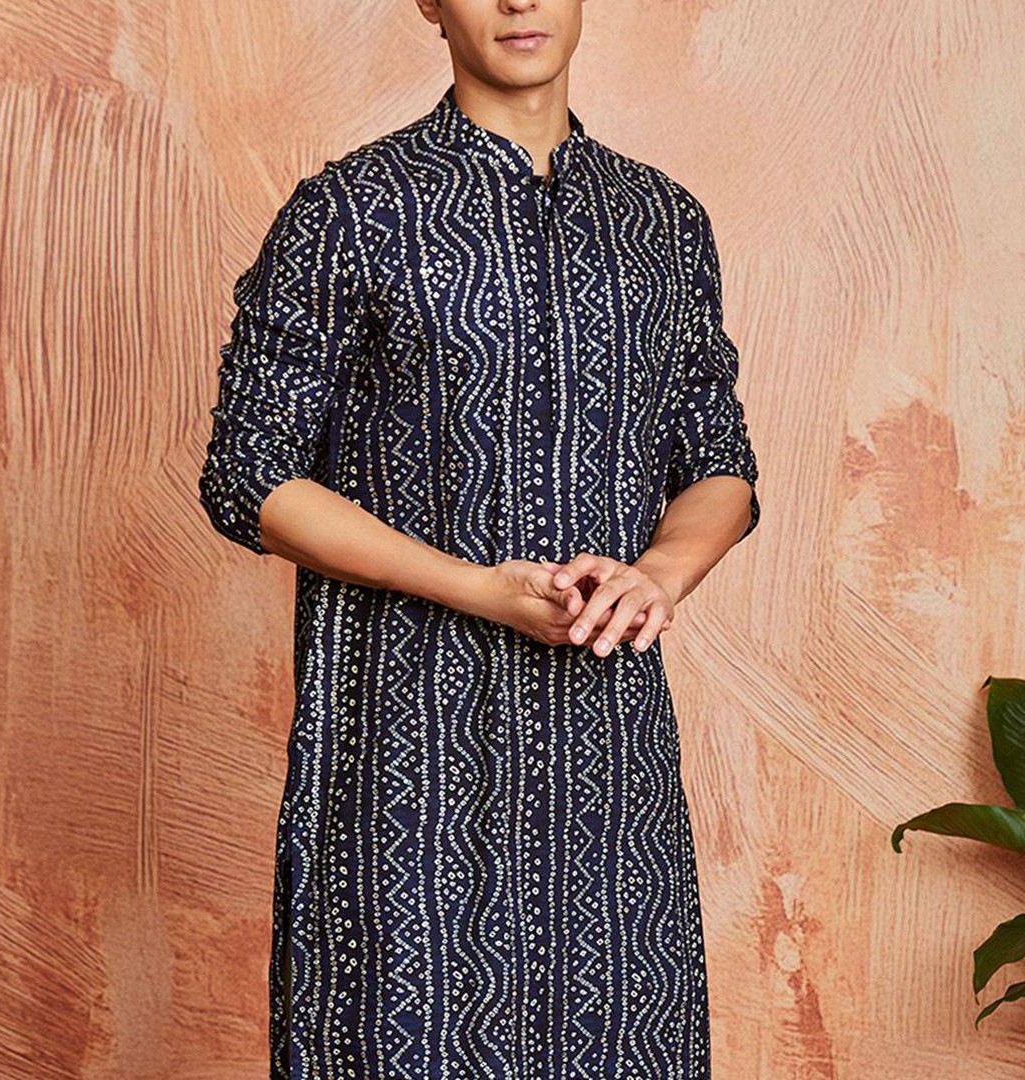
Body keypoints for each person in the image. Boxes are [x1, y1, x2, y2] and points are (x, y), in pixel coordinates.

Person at [198, 0, 760, 1076]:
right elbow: (250, 475)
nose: (517, 0)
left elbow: (719, 460)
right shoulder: (352, 210)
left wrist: (656, 576)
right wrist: (475, 588)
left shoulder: (662, 222)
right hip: (405, 742)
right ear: (429, 3)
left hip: (609, 752)